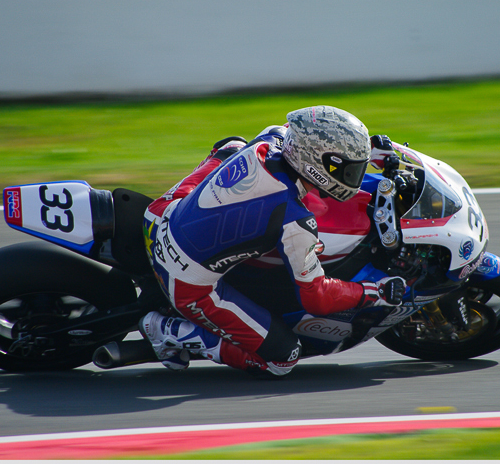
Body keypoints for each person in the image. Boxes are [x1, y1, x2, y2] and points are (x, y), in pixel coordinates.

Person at [139, 105, 406, 377]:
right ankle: (172, 332)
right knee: (283, 359)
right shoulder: (294, 222)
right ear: (316, 166)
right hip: (185, 281)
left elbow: (297, 134)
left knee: (233, 145)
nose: (354, 177)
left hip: (161, 212)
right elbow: (317, 297)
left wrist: (369, 151)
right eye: (350, 169)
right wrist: (373, 292)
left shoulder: (274, 139)